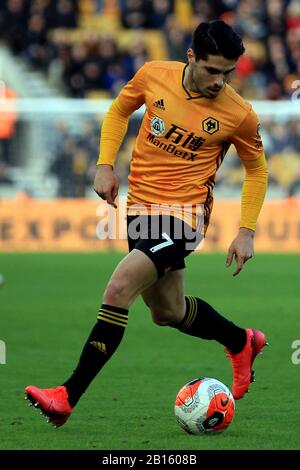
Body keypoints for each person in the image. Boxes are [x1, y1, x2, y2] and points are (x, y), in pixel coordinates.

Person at [25, 20, 268, 428]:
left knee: (120, 287)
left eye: (228, 73)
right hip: (141, 209)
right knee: (167, 311)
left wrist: (246, 230)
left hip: (185, 216)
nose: (220, 81)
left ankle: (66, 396)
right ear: (191, 56)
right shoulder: (155, 75)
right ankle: (240, 341)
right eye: (212, 70)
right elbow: (120, 109)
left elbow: (257, 170)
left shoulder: (238, 113)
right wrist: (104, 165)